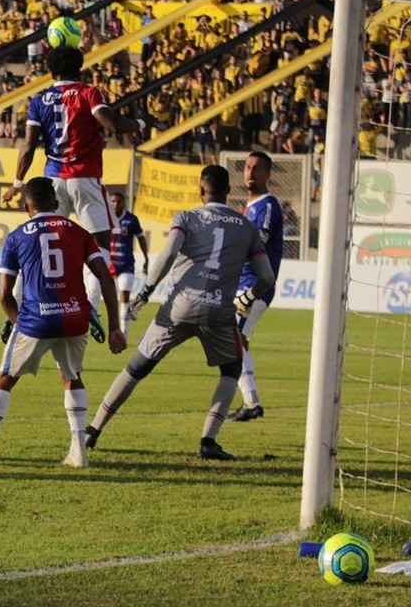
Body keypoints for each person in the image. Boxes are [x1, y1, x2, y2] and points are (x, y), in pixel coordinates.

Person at [85, 164, 274, 461]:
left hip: (179, 307)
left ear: (201, 190)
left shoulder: (185, 217)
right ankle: (208, 440)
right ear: (227, 192)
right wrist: (248, 297)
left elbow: (170, 253)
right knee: (231, 370)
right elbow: (267, 277)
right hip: (219, 311)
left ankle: (93, 430)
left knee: (136, 368)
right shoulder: (246, 227)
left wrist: (145, 292)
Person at [0, 178, 125, 470]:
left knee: (5, 378)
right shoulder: (80, 232)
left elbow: (4, 295)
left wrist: (18, 322)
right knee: (72, 377)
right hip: (75, 318)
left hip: (36, 320)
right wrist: (114, 327)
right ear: (56, 203)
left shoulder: (15, 237)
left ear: (27, 207)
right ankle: (78, 451)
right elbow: (104, 277)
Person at [6, 45, 147, 343]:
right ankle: (91, 309)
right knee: (99, 246)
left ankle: (17, 307)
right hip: (85, 179)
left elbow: (29, 146)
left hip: (53, 180)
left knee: (36, 242)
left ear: (50, 70)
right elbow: (111, 124)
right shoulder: (88, 93)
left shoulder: (39, 99)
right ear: (80, 68)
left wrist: (18, 182)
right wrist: (142, 123)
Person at [228, 151, 284, 422]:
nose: (251, 172)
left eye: (258, 168)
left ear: (268, 173)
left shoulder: (268, 205)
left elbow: (256, 242)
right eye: (248, 167)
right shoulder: (249, 207)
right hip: (242, 284)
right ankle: (249, 402)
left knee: (234, 339)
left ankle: (251, 402)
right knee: (238, 340)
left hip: (257, 285)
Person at [107, 189, 149, 343]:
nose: (115, 204)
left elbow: (141, 238)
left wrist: (146, 258)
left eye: (118, 201)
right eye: (113, 201)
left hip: (126, 265)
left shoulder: (131, 220)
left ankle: (123, 333)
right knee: (108, 298)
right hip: (108, 265)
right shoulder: (105, 219)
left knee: (124, 296)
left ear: (124, 202)